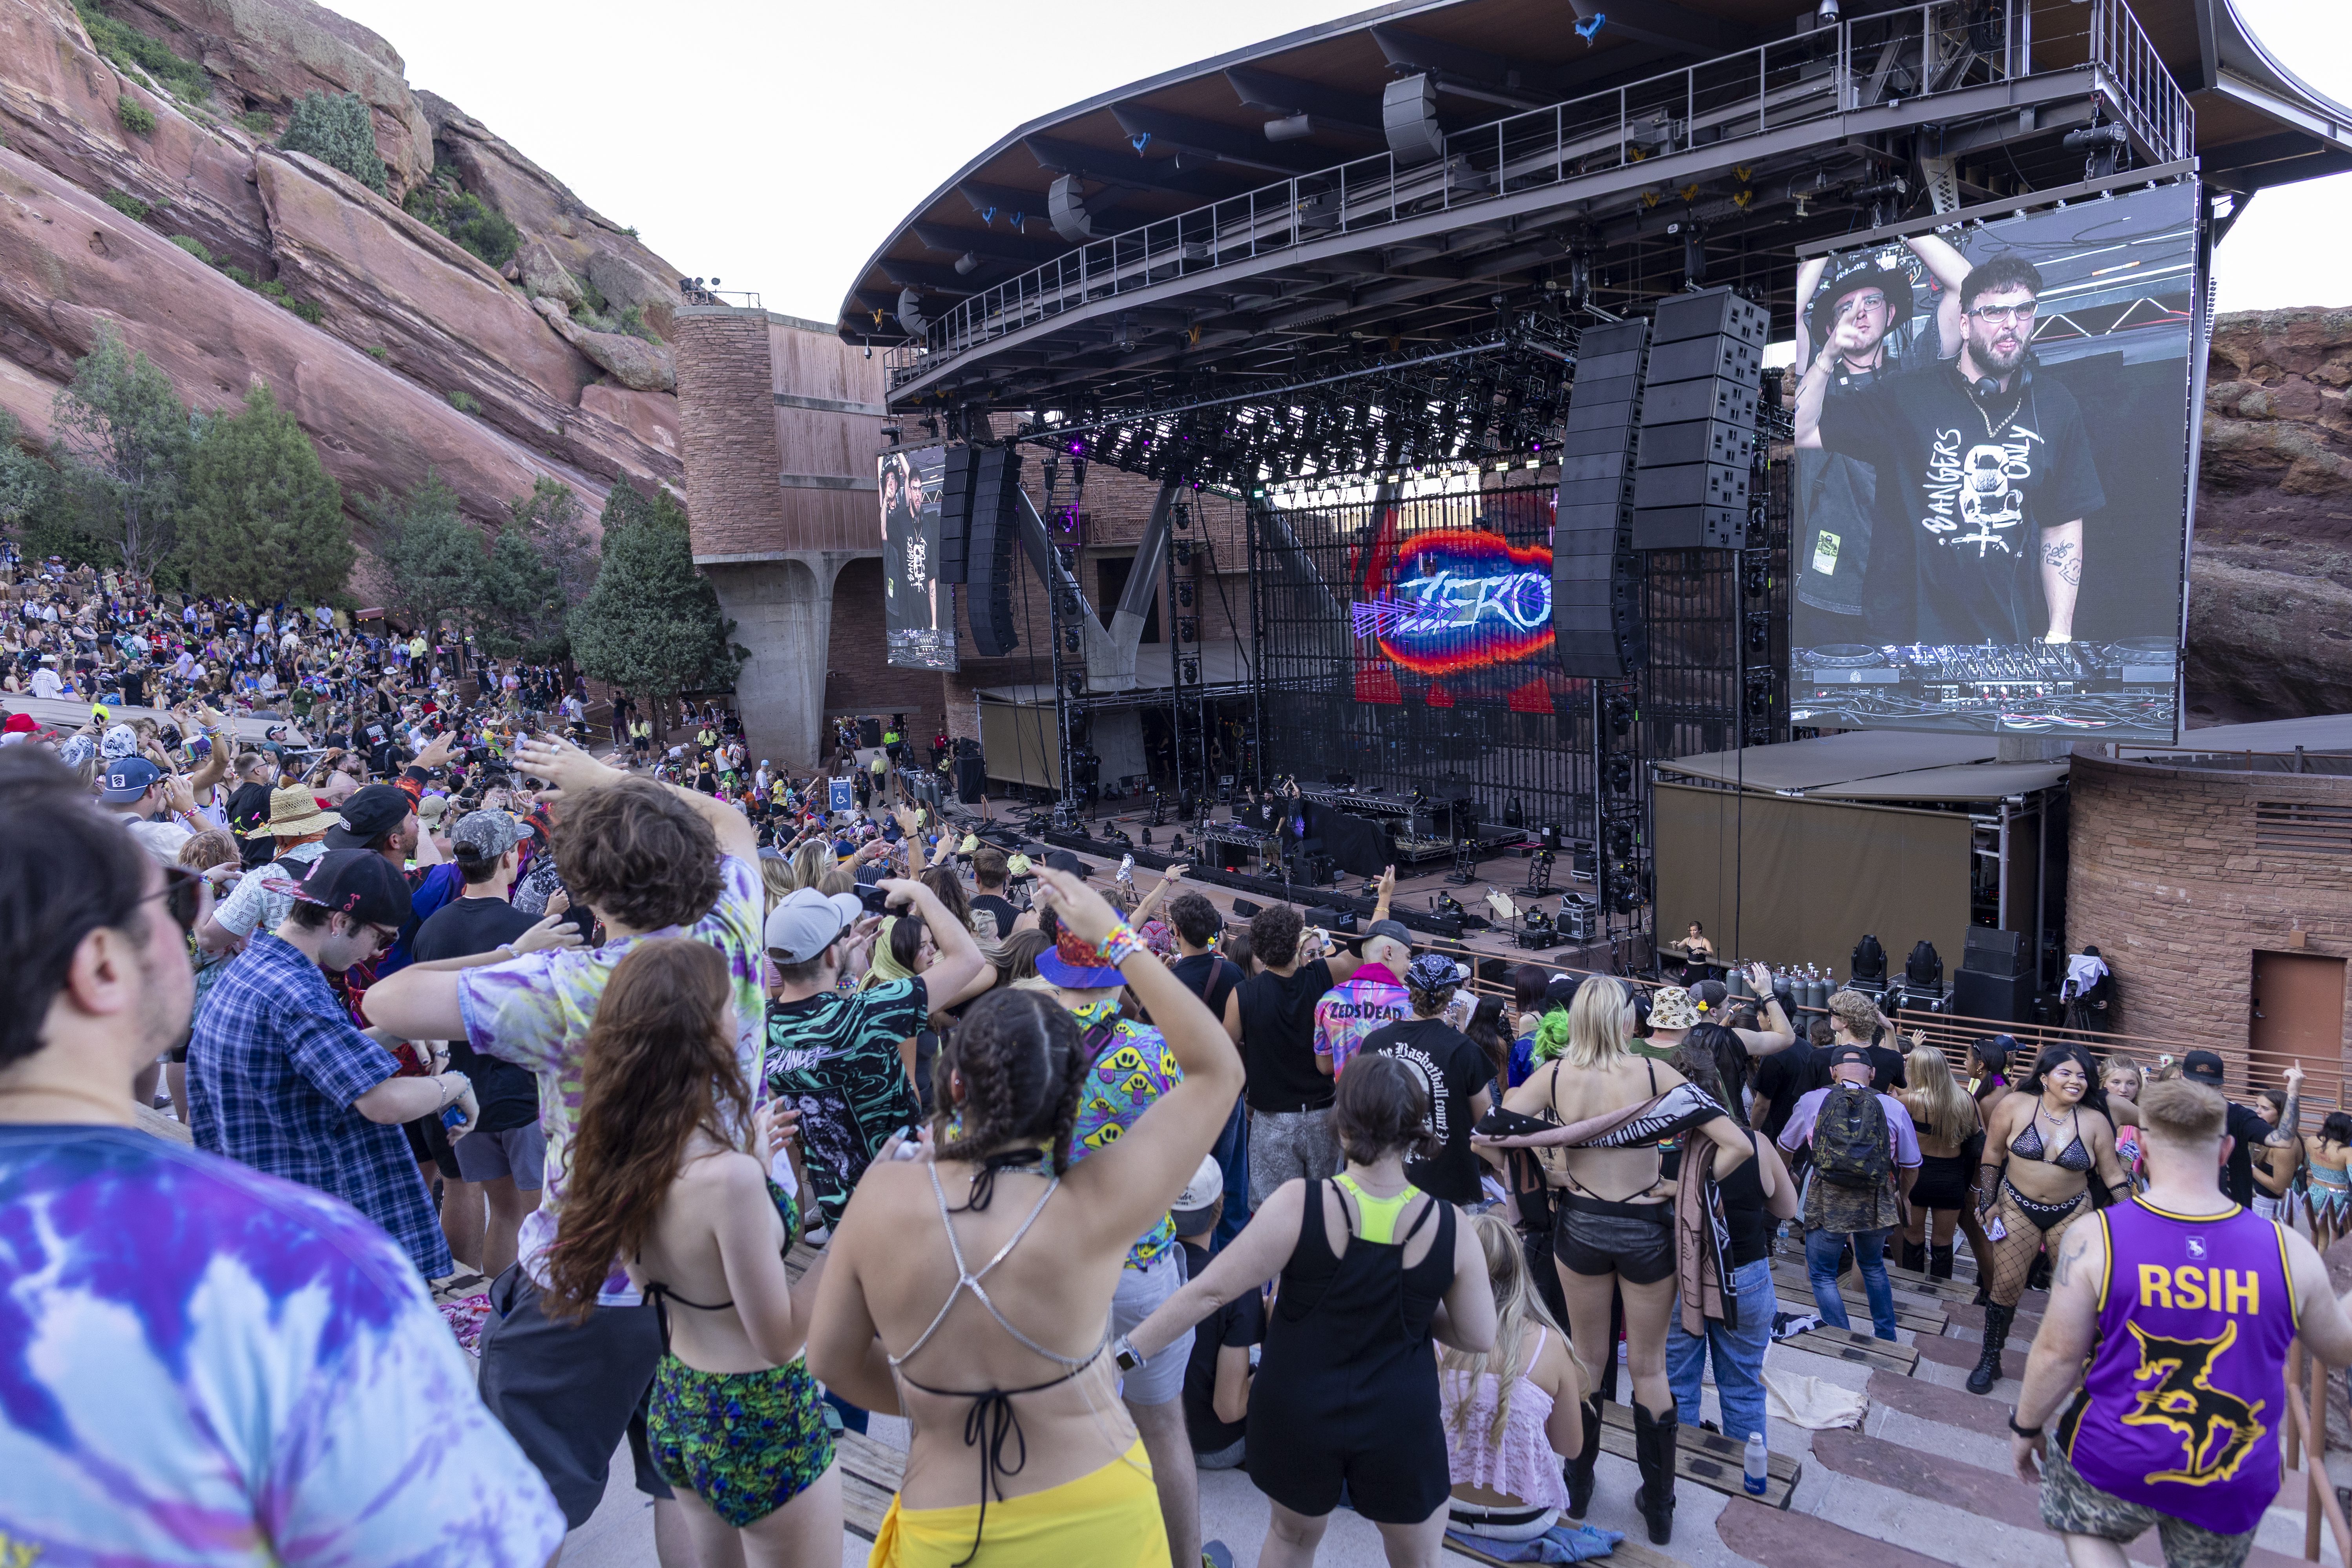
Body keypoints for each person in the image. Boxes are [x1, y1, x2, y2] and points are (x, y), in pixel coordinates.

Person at [0, 742, 565, 1565]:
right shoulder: (297, 1266)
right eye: (175, 898)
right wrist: (450, 1085)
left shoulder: (255, 982)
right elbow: (489, 1543)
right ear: (100, 965)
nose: (201, 923)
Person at [357, 733, 768, 1547]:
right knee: (681, 1491)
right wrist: (611, 778)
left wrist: (514, 953)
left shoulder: (566, 985)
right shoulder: (732, 923)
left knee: (515, 1512)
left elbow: (388, 1000)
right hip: (706, 1278)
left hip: (587, 1281)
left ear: (585, 888)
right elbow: (730, 821)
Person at [805, 867, 1243, 1567]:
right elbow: (1219, 1070)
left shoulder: (885, 1195)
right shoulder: (1098, 1206)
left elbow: (829, 1358)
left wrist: (939, 1401)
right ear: (1070, 1096)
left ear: (955, 1083)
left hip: (949, 1523)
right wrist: (1119, 938)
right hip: (1099, 1514)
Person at [1124, 1053, 1498, 1568]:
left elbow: (1208, 1292)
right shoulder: (1451, 1225)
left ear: (1342, 1124)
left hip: (1298, 1410)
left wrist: (1120, 1356)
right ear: (1415, 1128)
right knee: (1417, 1557)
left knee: (1292, 1538)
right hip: (1398, 1418)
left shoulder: (1299, 1204)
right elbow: (1478, 1334)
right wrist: (1409, 1304)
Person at [546, 938, 842, 1564]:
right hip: (759, 1413)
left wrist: (752, 1158)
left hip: (680, 1398)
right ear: (703, 1029)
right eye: (729, 1003)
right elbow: (779, 1338)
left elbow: (670, 1268)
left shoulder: (622, 1145)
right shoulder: (727, 1178)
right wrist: (852, 1232)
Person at [2010, 1079, 2352, 1568]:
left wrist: (2025, 1426)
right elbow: (2340, 1347)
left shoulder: (2096, 1237)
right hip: (2229, 1469)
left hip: (2113, 1452)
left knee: (2082, 1524)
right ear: (2226, 1150)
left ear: (2143, 1146)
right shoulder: (2289, 1252)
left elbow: (2057, 1355)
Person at [1479, 979, 1756, 1542]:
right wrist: (1680, 1186)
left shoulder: (1554, 1075)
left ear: (1580, 1019)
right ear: (1627, 1021)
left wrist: (1550, 1175)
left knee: (1588, 1358)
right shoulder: (1656, 1074)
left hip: (1581, 1225)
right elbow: (1739, 1145)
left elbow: (1487, 1135)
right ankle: (1659, 1507)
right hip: (1647, 1230)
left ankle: (1578, 1484)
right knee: (1650, 1368)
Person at [188, 849, 517, 1278]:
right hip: (311, 1234)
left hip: (263, 1213)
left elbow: (323, 1055)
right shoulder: (297, 992)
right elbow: (382, 1102)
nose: (376, 954)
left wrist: (398, 1028)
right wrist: (454, 1085)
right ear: (342, 922)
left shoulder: (259, 967)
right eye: (382, 940)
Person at [1799, 252, 2104, 646]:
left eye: (2024, 310)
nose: (2011, 323)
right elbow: (1801, 426)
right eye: (1995, 311)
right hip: (1874, 609)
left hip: (2001, 628)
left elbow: (2062, 519)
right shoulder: (1904, 393)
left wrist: (2060, 631)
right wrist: (1827, 350)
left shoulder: (2051, 405)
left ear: (1891, 312)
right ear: (1966, 324)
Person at [1034, 915, 1209, 1567]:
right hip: (1138, 1265)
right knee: (1162, 1428)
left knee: (1053, 1429)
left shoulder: (1023, 1039)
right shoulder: (1154, 1049)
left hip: (1049, 1269)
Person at [762, 877, 984, 1232]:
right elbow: (970, 960)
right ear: (831, 954)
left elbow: (819, 1025)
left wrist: (844, 973)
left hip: (840, 1209)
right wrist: (922, 892)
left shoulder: (764, 1028)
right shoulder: (870, 1013)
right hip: (902, 1203)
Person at [1790, 235, 1970, 627]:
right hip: (1832, 590)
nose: (1859, 312)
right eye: (1846, 307)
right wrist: (1825, 237)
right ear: (1830, 325)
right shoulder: (1818, 379)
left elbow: (1965, 287)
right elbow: (1792, 309)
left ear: (1890, 314)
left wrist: (1907, 226)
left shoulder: (1913, 373)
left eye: (1871, 301)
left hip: (1903, 590)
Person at [409, 808, 546, 1281]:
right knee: (540, 1218)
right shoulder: (527, 931)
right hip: (523, 1094)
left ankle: (500, 1309)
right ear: (509, 857)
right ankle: (534, 1314)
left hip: (459, 1095)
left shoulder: (432, 929)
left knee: (503, 1212)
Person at [1969, 1043, 2132, 1395]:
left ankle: (2085, 1363)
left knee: (2076, 1293)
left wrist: (2134, 1219)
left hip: (2072, 1211)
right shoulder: (2015, 1105)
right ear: (2044, 1077)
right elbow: (1992, 1154)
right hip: (2016, 1206)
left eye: (2082, 1075)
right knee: (2006, 1285)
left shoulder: (2095, 1121)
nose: (2076, 1081)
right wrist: (1987, 1200)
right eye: (2066, 1073)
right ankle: (1990, 1358)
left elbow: (2113, 1175)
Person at [1440, 1210, 1588, 1546]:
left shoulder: (1434, 1337)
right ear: (1520, 1270)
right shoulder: (1551, 1345)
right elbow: (1570, 1447)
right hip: (1524, 1520)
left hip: (1446, 1508)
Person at [1238, 894, 1389, 1209]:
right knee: (1328, 1208)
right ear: (1297, 944)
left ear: (1259, 950)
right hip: (1323, 1114)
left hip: (1272, 1118)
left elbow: (1222, 1051)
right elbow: (1369, 951)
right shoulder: (1323, 975)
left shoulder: (1243, 996)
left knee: (1274, 1212)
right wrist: (1384, 898)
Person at [1775, 1043, 1922, 1343]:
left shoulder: (1812, 1100)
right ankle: (1886, 1336)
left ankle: (1841, 1336)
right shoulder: (1893, 1107)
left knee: (1822, 1273)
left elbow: (1786, 1146)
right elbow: (1911, 1164)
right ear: (1873, 1073)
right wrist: (1904, 1196)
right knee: (1873, 1265)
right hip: (1875, 1198)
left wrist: (1788, 1175)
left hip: (1827, 1197)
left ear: (1833, 1072)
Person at [1357, 951, 1497, 1207]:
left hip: (1386, 1186)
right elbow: (1486, 1124)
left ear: (1410, 990)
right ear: (1451, 995)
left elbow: (1361, 1115)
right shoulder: (1465, 1050)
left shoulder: (1374, 1043)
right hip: (1451, 1192)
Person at [1169, 1155, 1261, 1472]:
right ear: (1218, 1209)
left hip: (1153, 1436)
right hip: (1215, 1448)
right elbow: (1229, 1408)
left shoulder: (1144, 1272)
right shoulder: (1237, 1283)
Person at [1895, 1035, 1987, 1282]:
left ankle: (1912, 1289)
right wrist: (1976, 1187)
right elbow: (1980, 1146)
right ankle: (1940, 1290)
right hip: (1952, 1179)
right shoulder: (1966, 1101)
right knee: (1943, 1243)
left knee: (1913, 1239)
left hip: (1915, 1178)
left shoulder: (1908, 1102)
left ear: (1917, 1071)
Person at [1310, 885, 1406, 1080]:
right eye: (1408, 956)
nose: (1409, 965)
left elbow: (1325, 1066)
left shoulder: (1329, 1000)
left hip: (1348, 1097)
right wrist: (1385, 897)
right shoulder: (1411, 1003)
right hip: (1395, 1096)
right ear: (1388, 953)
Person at [2180, 1050, 2291, 1212]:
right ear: (2183, 1078)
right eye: (2195, 1085)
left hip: (2229, 1210)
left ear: (2219, 1086)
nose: (2202, 1092)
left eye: (2209, 1086)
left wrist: (2293, 1095)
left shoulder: (2237, 1115)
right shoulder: (2167, 1113)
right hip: (2179, 1206)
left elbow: (2284, 1140)